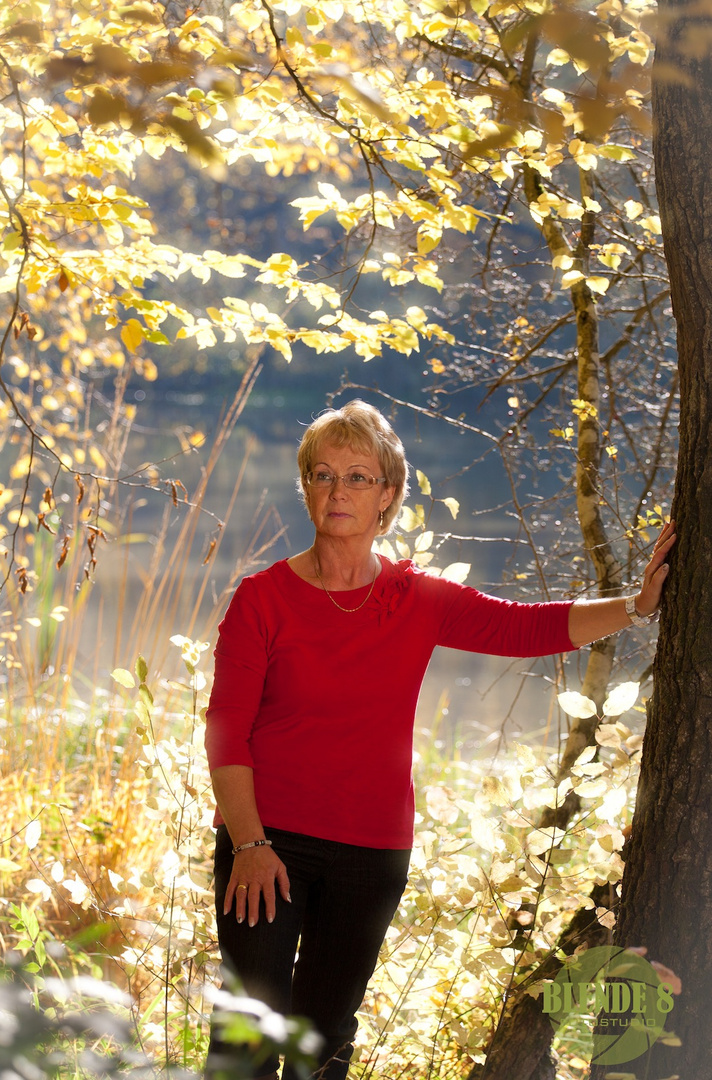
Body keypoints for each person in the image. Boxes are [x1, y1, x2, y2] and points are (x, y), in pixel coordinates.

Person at [204, 400, 675, 1080]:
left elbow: (524, 629)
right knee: (246, 1039)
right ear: (305, 485)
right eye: (323, 474)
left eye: (358, 477)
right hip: (265, 842)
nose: (337, 492)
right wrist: (248, 844)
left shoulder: (413, 598)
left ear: (388, 494)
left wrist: (636, 605)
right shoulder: (262, 599)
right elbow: (226, 731)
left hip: (370, 853)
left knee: (323, 1038)